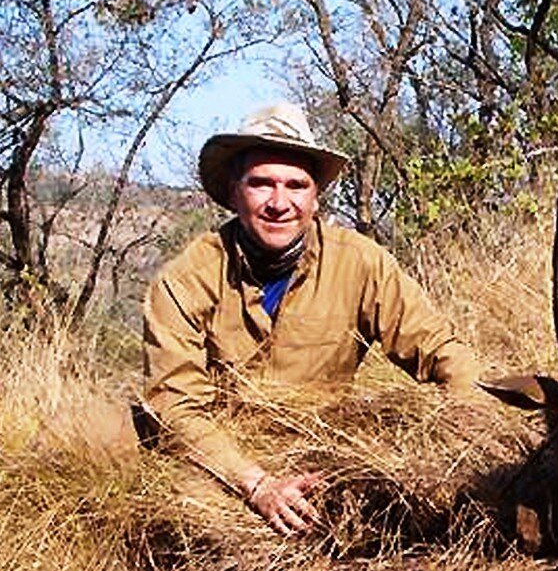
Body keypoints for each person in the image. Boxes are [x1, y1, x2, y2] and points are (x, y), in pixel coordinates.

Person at [143, 102, 479, 534]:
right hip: (225, 465)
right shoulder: (184, 279)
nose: (279, 203)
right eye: (261, 184)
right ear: (233, 192)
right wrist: (257, 485)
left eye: (296, 186)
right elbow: (174, 405)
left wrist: (468, 429)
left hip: (319, 453)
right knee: (184, 513)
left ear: (316, 196)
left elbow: (443, 352)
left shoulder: (361, 262)